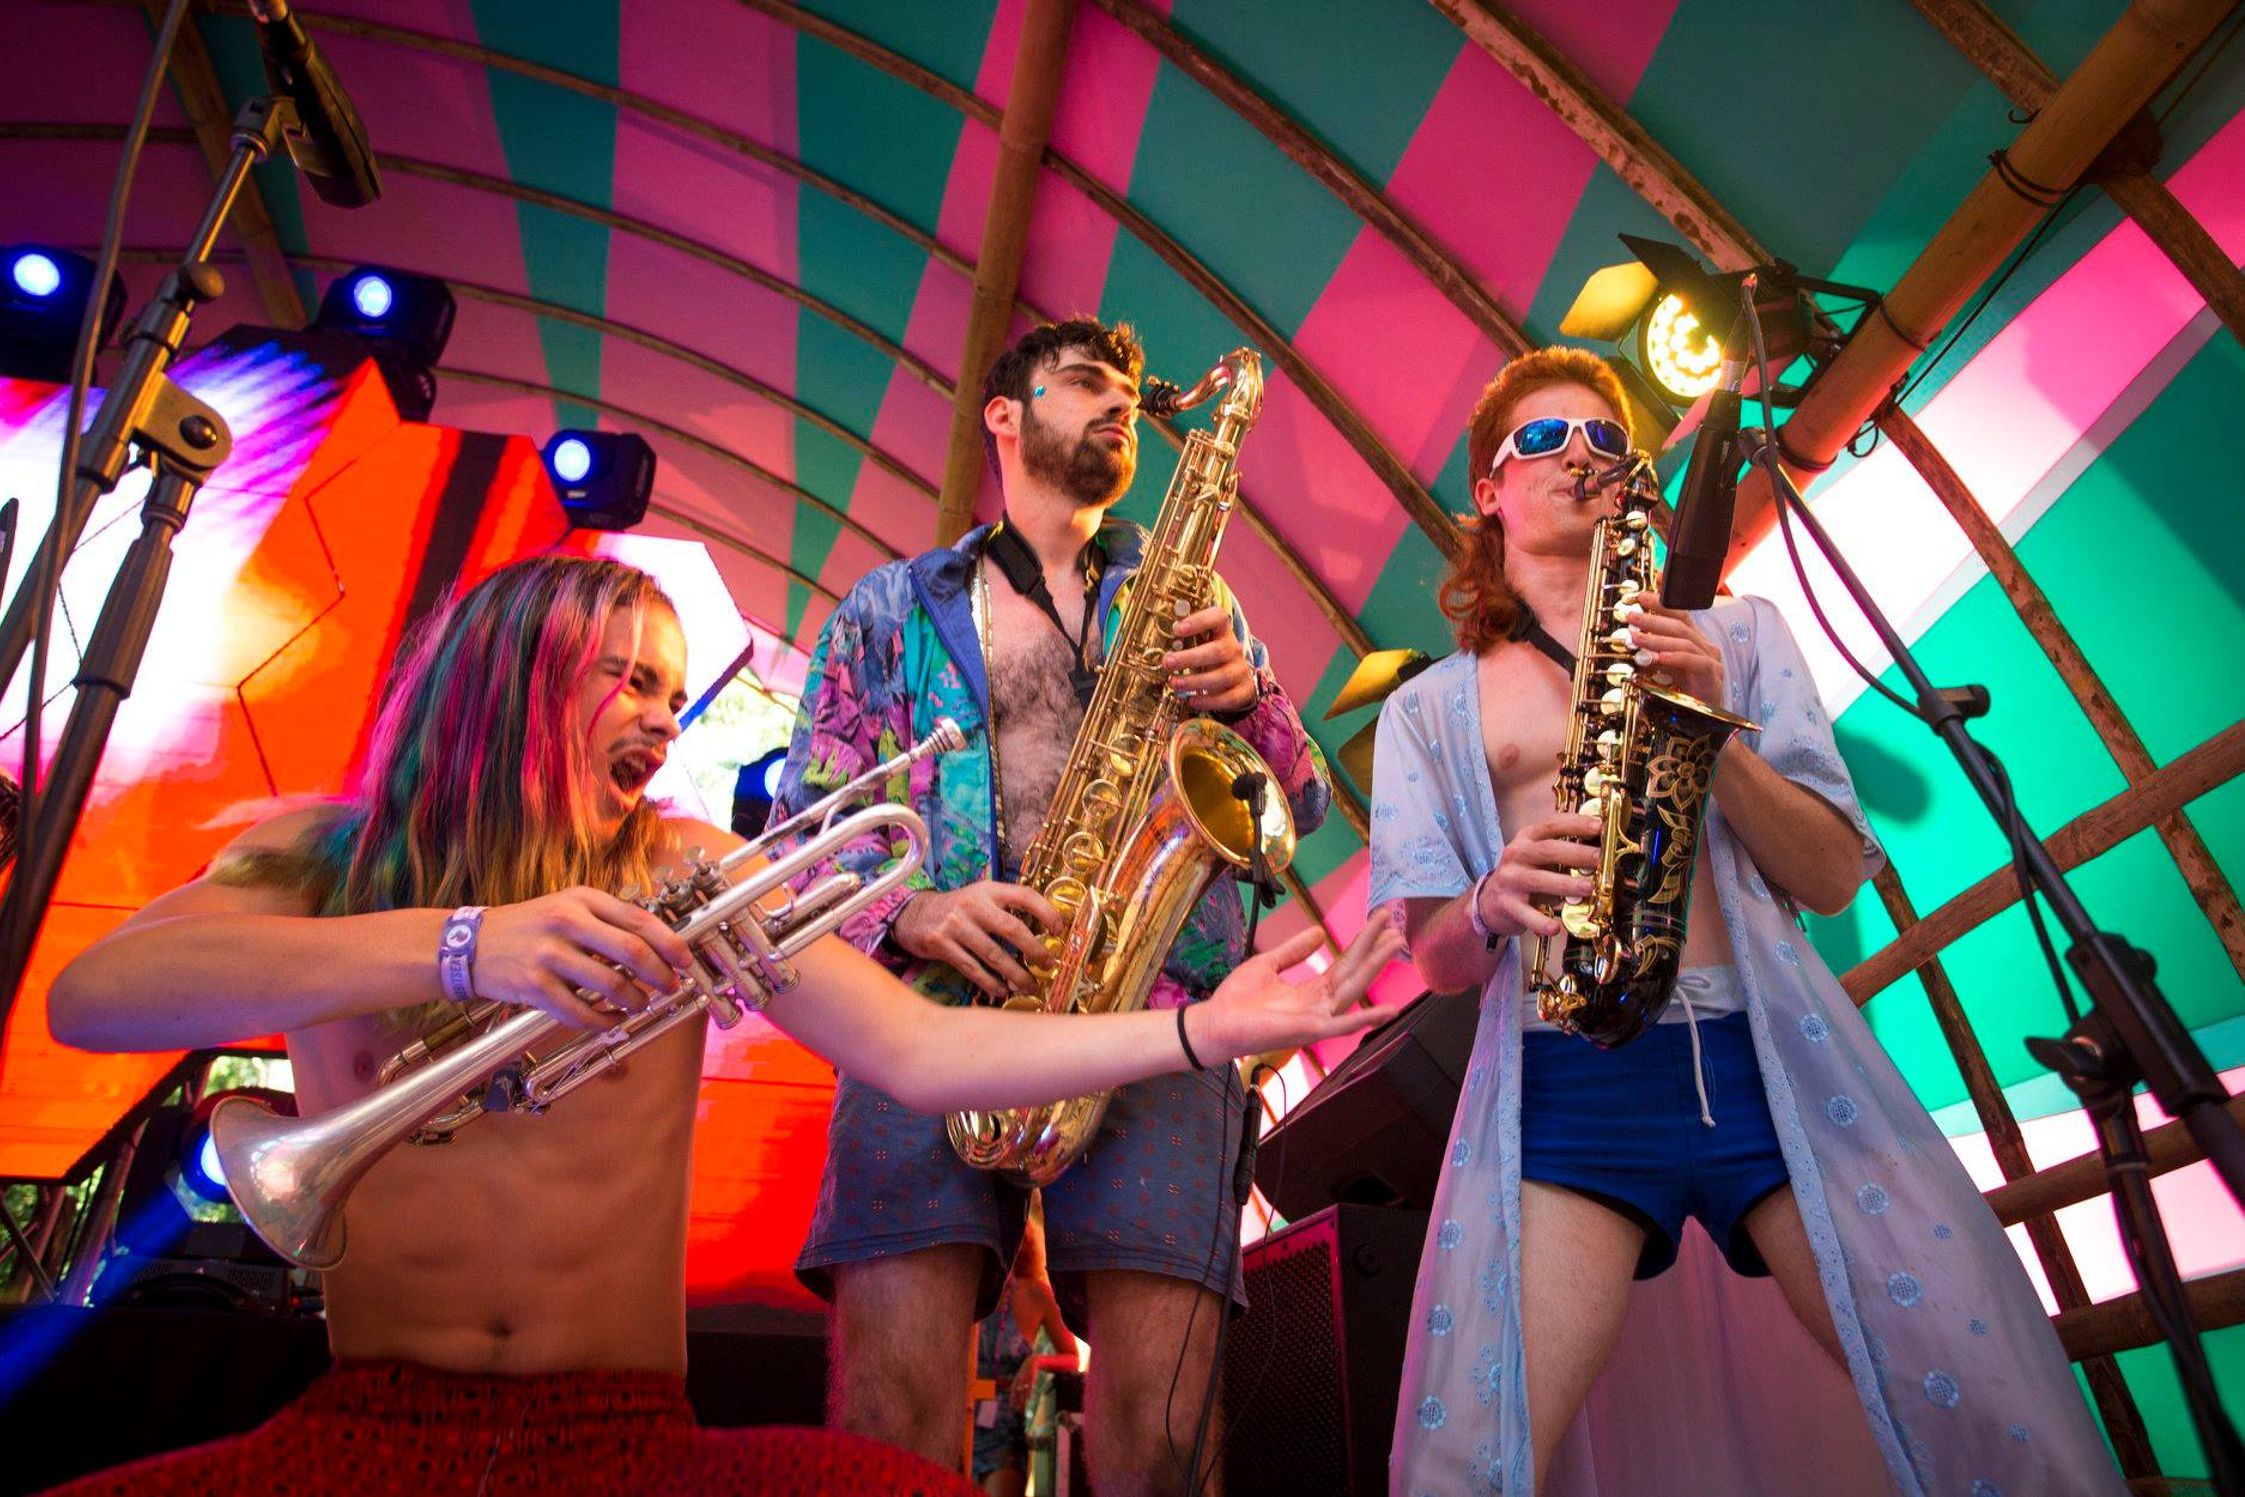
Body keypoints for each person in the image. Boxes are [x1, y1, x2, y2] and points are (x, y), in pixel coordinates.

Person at [41, 553, 1395, 1496]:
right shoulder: (318, 861)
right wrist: (472, 942)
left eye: (667, 684)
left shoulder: (683, 866)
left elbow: (924, 1052)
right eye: (622, 675)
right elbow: (91, 996)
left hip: (628, 1437)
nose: (658, 711)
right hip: (366, 1417)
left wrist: (1197, 1031)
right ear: (510, 672)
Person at [1368, 348, 2123, 1496]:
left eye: (1604, 440)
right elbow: (1430, 957)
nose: (1580, 454)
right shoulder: (1427, 707)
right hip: (1570, 1079)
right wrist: (1484, 902)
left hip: (1763, 1063)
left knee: (1971, 1403)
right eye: (1541, 439)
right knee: (1476, 1459)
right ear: (1486, 488)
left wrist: (1708, 724)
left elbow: (1828, 877)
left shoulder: (1747, 634)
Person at [772, 316, 1330, 1494]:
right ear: (1004, 415)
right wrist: (913, 915)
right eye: (1085, 383)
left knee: (1165, 1430)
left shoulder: (1193, 601)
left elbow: (1298, 806)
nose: (1120, 404)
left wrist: (1254, 707)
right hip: (927, 1010)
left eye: (1130, 390)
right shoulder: (890, 608)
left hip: (1157, 1012)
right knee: (887, 1412)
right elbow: (805, 828)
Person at [971, 1209, 1077, 1496]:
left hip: (1007, 1427)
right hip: (963, 1418)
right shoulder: (969, 1287)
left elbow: (1072, 1357)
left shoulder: (1035, 1293)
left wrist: (1036, 1361)